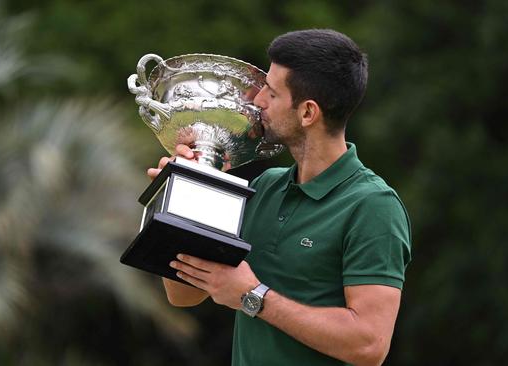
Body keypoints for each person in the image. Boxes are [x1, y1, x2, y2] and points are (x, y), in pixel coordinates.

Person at [147, 29, 411, 366]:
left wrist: (252, 296)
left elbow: (369, 345)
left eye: (271, 93)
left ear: (307, 113)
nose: (257, 101)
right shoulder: (266, 187)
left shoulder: (373, 206)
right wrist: (186, 189)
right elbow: (185, 293)